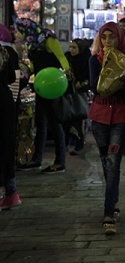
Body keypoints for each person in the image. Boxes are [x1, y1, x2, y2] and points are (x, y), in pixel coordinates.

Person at [88, 23, 125, 235]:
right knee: (105, 162)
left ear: (119, 39)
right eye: (104, 37)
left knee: (113, 162)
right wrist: (111, 71)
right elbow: (94, 86)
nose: (108, 42)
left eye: (112, 38)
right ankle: (114, 199)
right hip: (99, 116)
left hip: (121, 116)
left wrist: (121, 76)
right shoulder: (94, 60)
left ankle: (108, 213)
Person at [14, 19, 71, 173]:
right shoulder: (30, 43)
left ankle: (60, 161)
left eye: (17, 30)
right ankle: (36, 159)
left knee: (55, 123)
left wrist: (67, 72)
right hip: (40, 87)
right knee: (41, 123)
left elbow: (61, 57)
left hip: (53, 87)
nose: (16, 33)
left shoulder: (48, 38)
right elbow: (33, 66)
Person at [0, 23, 21, 210]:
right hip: (6, 100)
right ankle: (10, 193)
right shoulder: (7, 53)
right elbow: (13, 80)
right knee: (7, 145)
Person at [64, 39, 91, 155]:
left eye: (74, 47)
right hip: (68, 93)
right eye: (70, 47)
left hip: (80, 94)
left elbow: (91, 78)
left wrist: (83, 83)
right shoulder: (67, 59)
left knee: (78, 119)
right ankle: (69, 143)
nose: (71, 50)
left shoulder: (87, 60)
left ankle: (75, 144)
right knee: (68, 119)